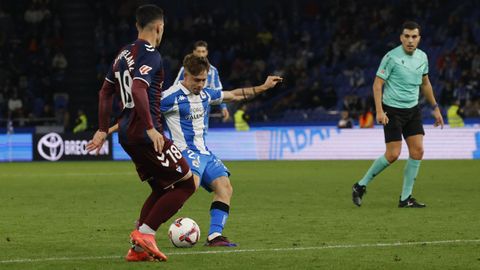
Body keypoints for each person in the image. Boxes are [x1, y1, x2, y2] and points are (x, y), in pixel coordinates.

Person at [86, 5, 196, 262]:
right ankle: (146, 234)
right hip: (145, 133)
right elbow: (138, 89)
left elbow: (105, 92)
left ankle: (137, 251)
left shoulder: (123, 54)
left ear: (137, 26)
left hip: (126, 133)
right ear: (159, 27)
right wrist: (150, 127)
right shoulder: (152, 55)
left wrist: (103, 129)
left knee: (161, 187)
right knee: (186, 183)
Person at [162, 54, 282, 246]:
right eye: (196, 80)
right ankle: (146, 227)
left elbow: (234, 94)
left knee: (225, 187)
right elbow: (143, 111)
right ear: (185, 75)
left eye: (203, 80)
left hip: (205, 153)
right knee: (188, 188)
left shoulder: (206, 95)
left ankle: (214, 236)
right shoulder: (170, 96)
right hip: (184, 151)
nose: (200, 84)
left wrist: (264, 87)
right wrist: (107, 130)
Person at [351, 21, 444, 208]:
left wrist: (435, 108)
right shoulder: (391, 57)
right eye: (407, 36)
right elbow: (377, 85)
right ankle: (360, 185)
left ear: (419, 39)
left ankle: (405, 198)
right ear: (401, 38)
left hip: (412, 109)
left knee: (417, 151)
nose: (410, 40)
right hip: (392, 110)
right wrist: (379, 111)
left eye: (414, 37)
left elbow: (425, 84)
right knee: (393, 154)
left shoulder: (423, 57)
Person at [173, 40, 230, 123]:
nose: (201, 54)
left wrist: (223, 107)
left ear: (206, 52)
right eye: (198, 51)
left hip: (204, 106)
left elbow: (217, 91)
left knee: (202, 132)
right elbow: (176, 87)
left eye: (203, 51)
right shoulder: (185, 69)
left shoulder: (213, 71)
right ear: (194, 52)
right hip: (186, 104)